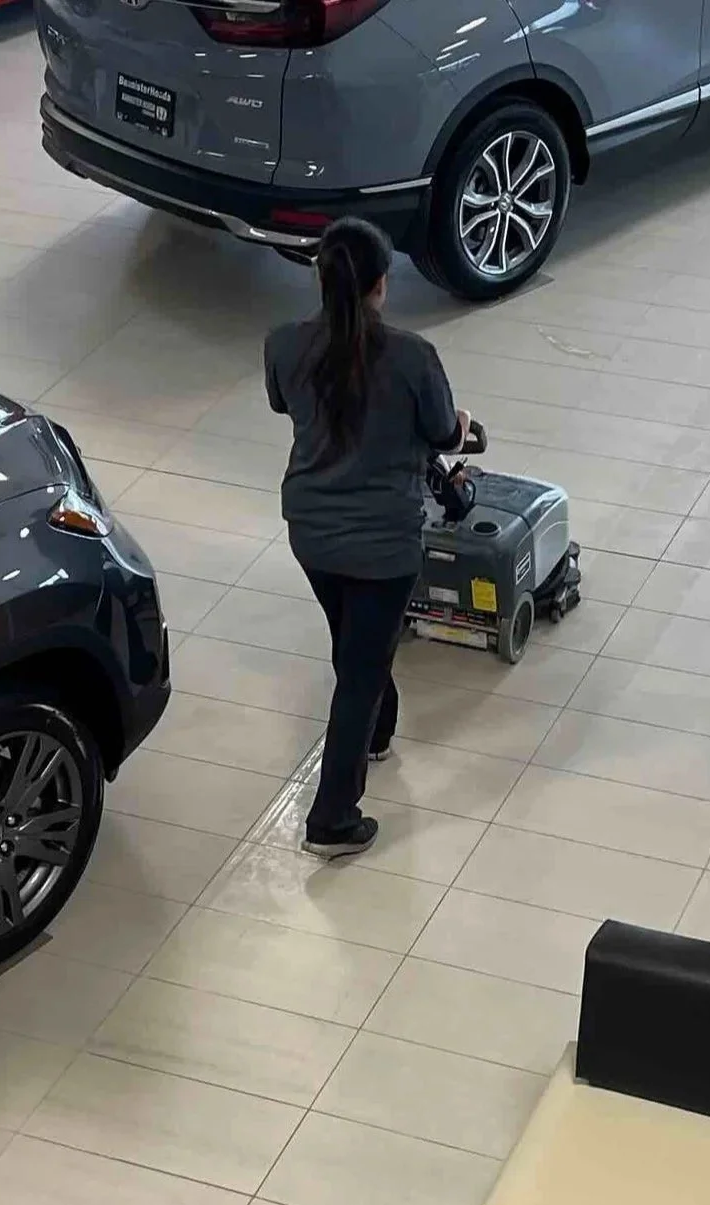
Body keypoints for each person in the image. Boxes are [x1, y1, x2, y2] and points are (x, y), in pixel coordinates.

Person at [265, 218, 470, 859]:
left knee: (354, 645)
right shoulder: (412, 356)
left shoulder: (283, 344)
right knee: (358, 669)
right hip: (383, 543)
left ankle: (379, 729)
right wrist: (462, 425)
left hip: (311, 532)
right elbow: (442, 434)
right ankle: (332, 818)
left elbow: (284, 404)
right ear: (382, 284)